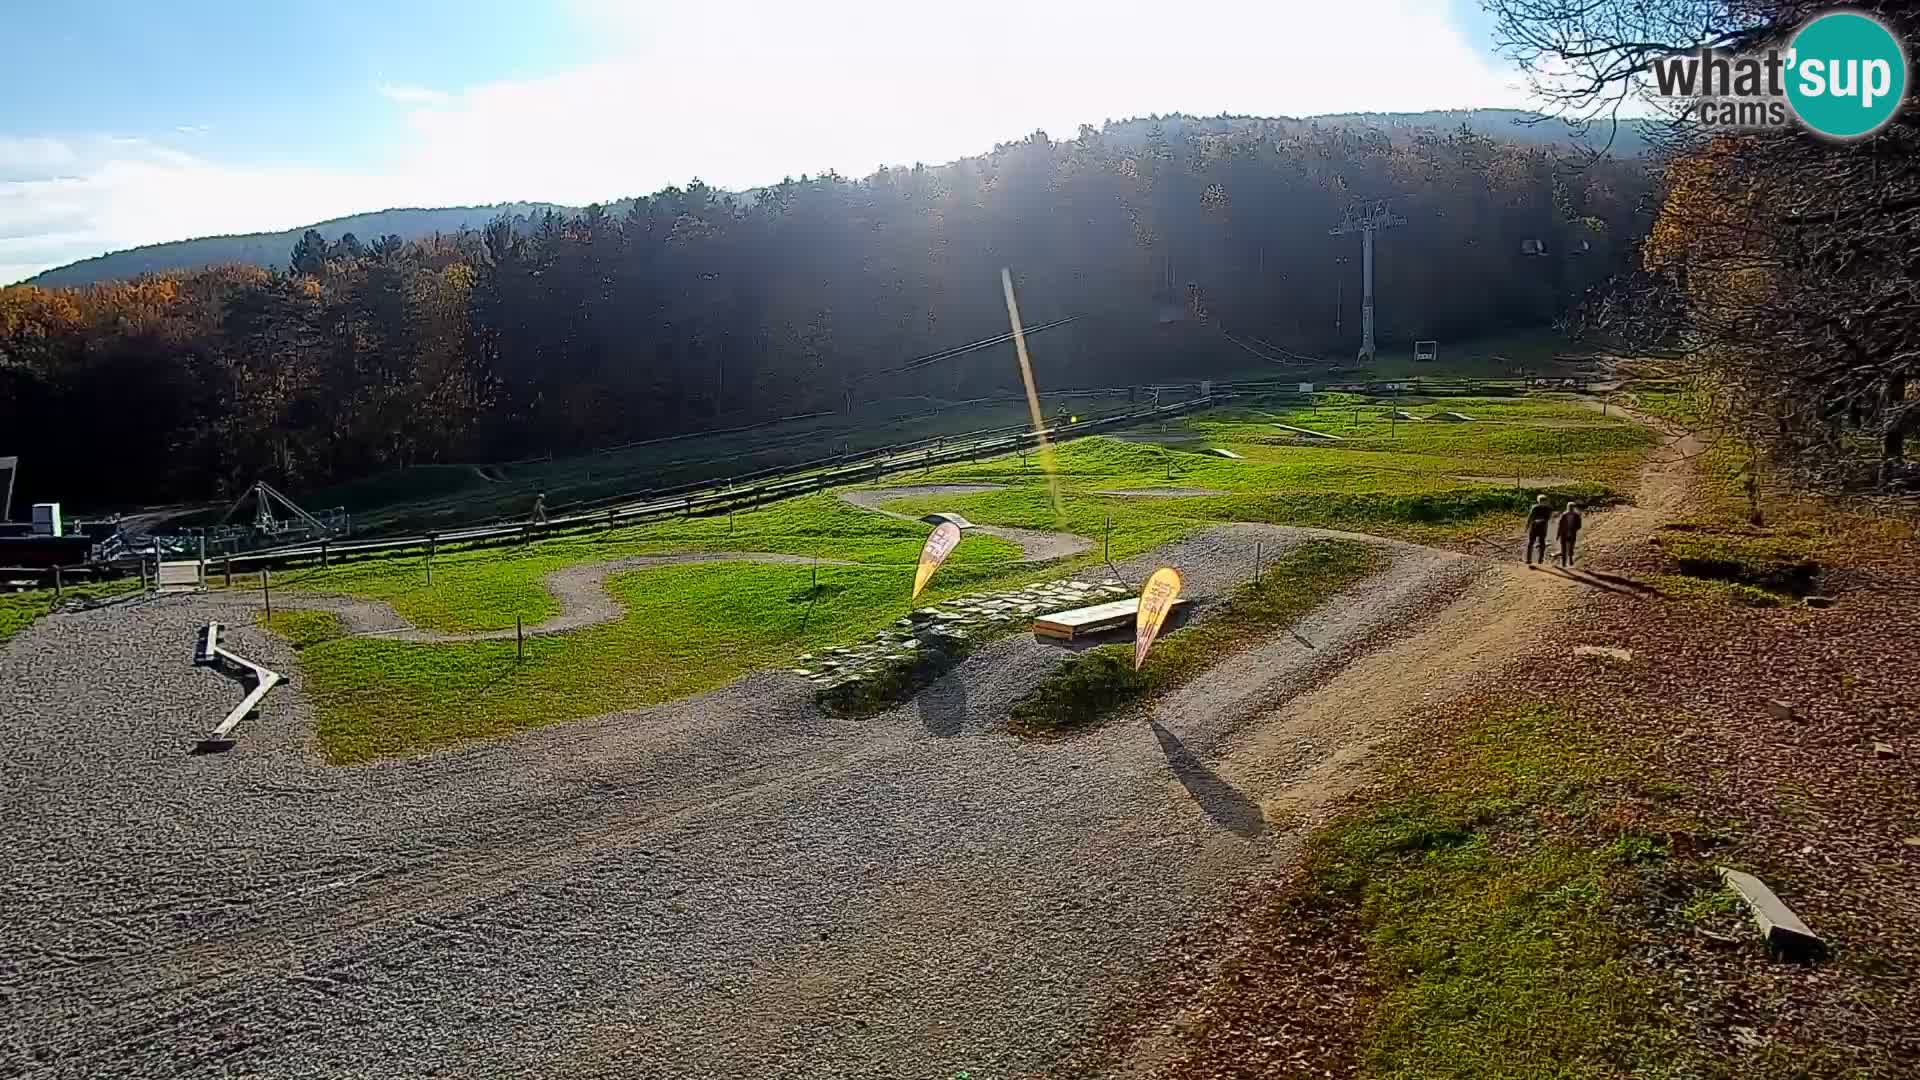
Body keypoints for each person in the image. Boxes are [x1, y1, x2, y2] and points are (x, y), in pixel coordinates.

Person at [1525, 493, 1552, 565]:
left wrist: (1527, 526)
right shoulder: (1546, 508)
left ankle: (1534, 559)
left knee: (1535, 543)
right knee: (1536, 543)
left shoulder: (1537, 508)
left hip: (1537, 526)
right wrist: (1527, 525)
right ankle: (1535, 559)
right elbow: (1547, 518)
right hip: (1539, 527)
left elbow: (1530, 518)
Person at [1557, 502, 1584, 566]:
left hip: (1566, 533)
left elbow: (1560, 525)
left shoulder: (1564, 515)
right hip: (1570, 533)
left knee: (1565, 548)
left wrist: (1558, 534)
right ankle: (1569, 561)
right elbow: (1579, 526)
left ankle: (1565, 562)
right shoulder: (1576, 515)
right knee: (1569, 547)